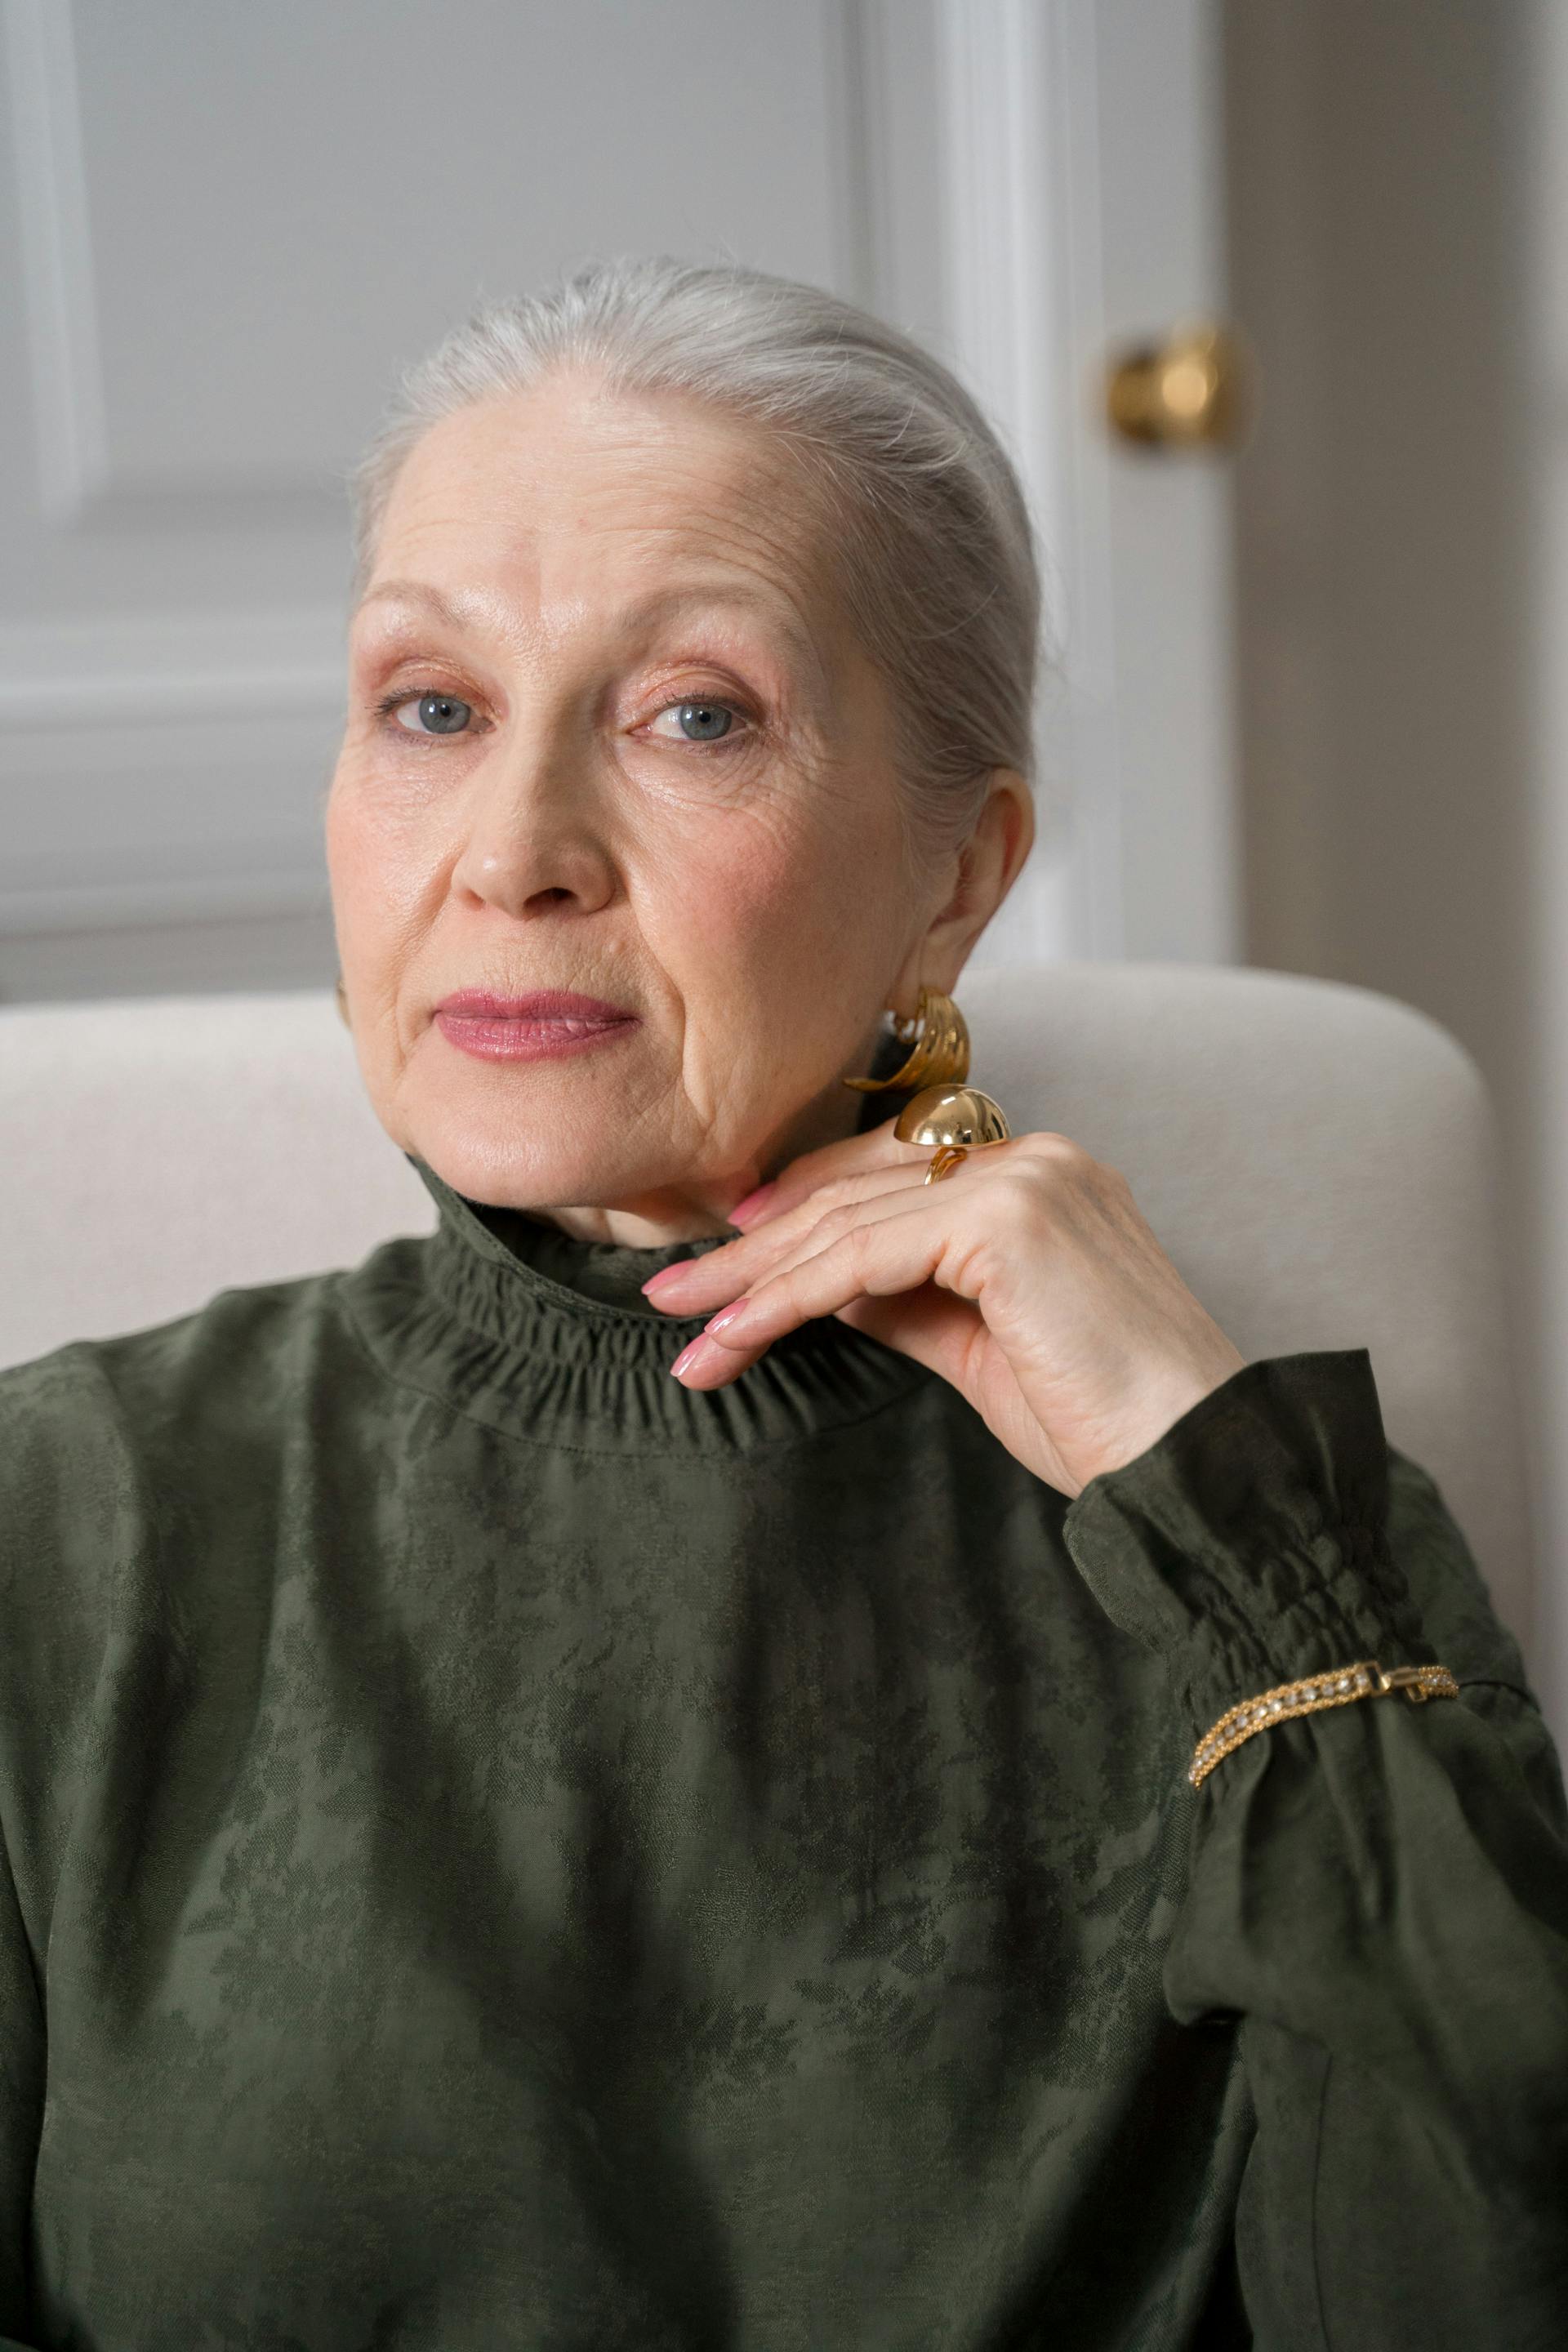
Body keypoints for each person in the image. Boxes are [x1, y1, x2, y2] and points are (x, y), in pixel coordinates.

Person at [1, 253, 1565, 2351]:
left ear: (956, 875)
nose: (515, 846)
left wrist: (1229, 1513)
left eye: (693, 715)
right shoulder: (66, 1512)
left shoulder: (1258, 1569)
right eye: (433, 707)